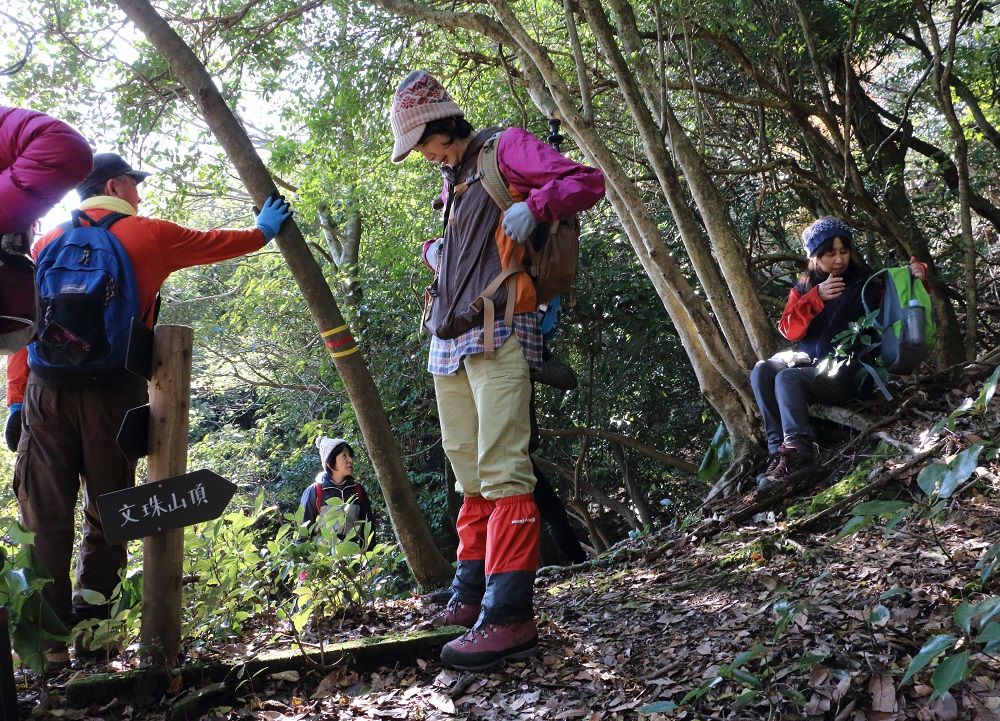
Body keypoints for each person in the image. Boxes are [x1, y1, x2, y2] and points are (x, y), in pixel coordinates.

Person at [6, 151, 291, 665]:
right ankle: (94, 639)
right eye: (135, 185)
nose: (140, 195)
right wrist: (262, 232)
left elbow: (25, 329)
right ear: (114, 185)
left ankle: (46, 646)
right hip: (114, 393)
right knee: (109, 514)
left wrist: (15, 399)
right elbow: (219, 243)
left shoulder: (47, 242)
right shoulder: (150, 235)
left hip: (46, 394)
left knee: (44, 516)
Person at [390, 69, 604, 671]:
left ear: (441, 124)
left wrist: (535, 205)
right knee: (466, 468)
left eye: (424, 141)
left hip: (500, 328)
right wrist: (439, 253)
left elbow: (588, 181)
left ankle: (510, 615)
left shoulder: (502, 147)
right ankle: (471, 593)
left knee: (504, 466)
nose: (424, 155)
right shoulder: (452, 179)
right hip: (448, 340)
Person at [751, 217, 927, 487]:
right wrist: (816, 297)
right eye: (830, 253)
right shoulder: (804, 288)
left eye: (843, 251)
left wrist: (917, 276)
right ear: (815, 257)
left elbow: (904, 306)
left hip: (850, 374)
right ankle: (779, 454)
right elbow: (789, 330)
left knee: (787, 378)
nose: (838, 259)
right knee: (763, 370)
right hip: (813, 369)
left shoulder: (868, 283)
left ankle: (798, 454)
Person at [299, 436, 375, 547]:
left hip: (354, 559)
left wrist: (371, 560)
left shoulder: (358, 490)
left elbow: (369, 528)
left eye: (350, 455)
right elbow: (303, 534)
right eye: (344, 455)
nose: (350, 460)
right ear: (329, 463)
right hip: (323, 559)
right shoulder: (315, 492)